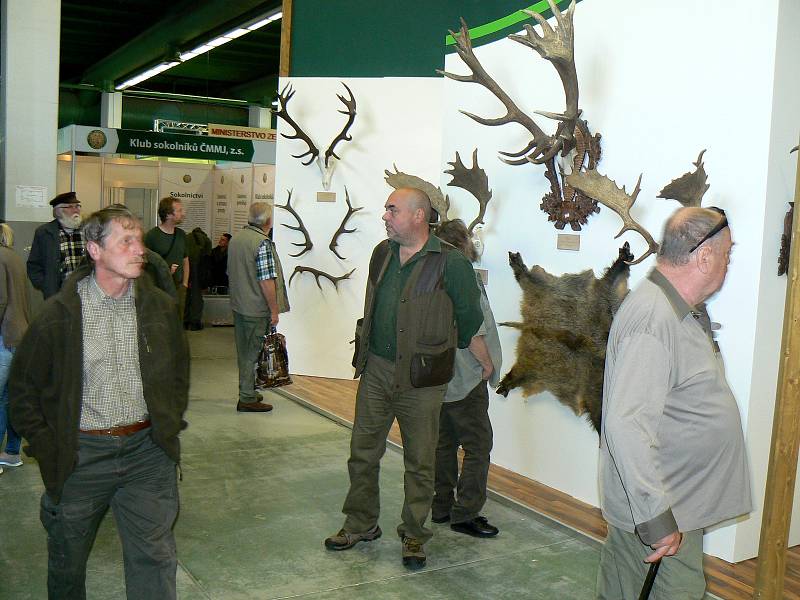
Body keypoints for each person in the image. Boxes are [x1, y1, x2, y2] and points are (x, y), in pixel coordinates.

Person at [10, 206, 189, 600]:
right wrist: (50, 445)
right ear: (94, 249)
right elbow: (22, 392)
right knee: (67, 563)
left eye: (139, 239)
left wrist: (168, 423)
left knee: (155, 559)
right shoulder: (59, 315)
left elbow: (179, 371)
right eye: (126, 241)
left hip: (147, 454)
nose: (138, 249)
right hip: (81, 457)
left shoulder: (158, 307)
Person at [324, 188, 484, 570]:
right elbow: (372, 303)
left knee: (420, 461)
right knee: (362, 452)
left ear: (417, 216)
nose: (385, 215)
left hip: (422, 380)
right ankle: (361, 523)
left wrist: (450, 354)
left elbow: (469, 318)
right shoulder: (383, 254)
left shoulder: (451, 263)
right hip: (377, 370)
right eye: (386, 209)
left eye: (392, 210)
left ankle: (414, 534)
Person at [596, 207, 751, 599]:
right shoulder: (653, 318)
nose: (728, 262)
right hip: (659, 514)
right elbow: (625, 426)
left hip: (678, 503)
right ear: (703, 257)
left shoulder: (680, 310)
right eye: (727, 253)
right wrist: (655, 518)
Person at [430, 219, 501, 538]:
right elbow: (473, 328)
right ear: (461, 245)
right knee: (478, 444)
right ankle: (466, 512)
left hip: (437, 376)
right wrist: (486, 365)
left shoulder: (428, 276)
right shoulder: (464, 277)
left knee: (443, 443)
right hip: (465, 376)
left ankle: (442, 505)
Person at [227, 202, 289, 413]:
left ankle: (249, 391)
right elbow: (266, 281)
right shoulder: (262, 243)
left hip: (239, 305)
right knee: (252, 354)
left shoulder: (236, 239)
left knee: (244, 351)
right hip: (255, 309)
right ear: (269, 221)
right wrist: (274, 310)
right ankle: (247, 397)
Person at [0, 223, 31, 470]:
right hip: (20, 337)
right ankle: (12, 452)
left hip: (4, 337)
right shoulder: (14, 257)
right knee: (12, 397)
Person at [27, 191, 85, 299]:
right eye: (70, 207)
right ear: (59, 211)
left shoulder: (87, 230)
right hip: (58, 294)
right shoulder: (45, 232)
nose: (76, 210)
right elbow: (34, 264)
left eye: (78, 206)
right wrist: (46, 285)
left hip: (85, 291)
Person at [144, 197, 188, 318]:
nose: (183, 213)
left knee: (177, 322)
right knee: (160, 321)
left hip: (178, 288)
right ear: (169, 215)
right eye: (179, 210)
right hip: (158, 288)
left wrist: (184, 284)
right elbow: (144, 264)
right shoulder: (152, 236)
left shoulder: (181, 235)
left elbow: (185, 260)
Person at [184, 227, 212, 330]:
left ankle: (185, 321)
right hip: (198, 268)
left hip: (185, 266)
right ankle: (195, 322)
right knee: (196, 296)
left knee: (186, 294)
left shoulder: (186, 238)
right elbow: (207, 259)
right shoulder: (206, 240)